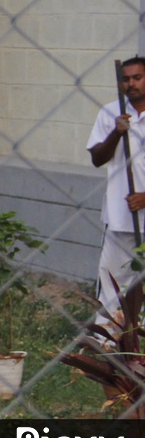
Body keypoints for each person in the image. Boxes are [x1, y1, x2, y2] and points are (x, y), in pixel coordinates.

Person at [87, 57, 145, 322]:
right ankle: (108, 345)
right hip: (120, 218)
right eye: (126, 79)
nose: (131, 84)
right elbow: (98, 158)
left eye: (137, 77)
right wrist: (116, 133)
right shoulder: (110, 113)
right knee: (111, 284)